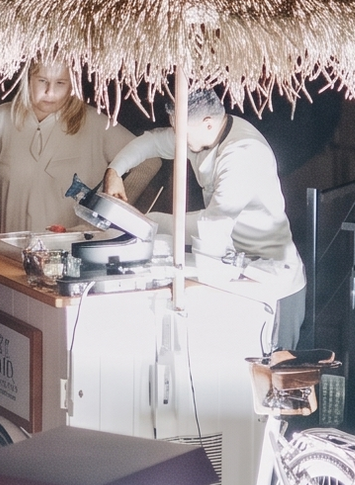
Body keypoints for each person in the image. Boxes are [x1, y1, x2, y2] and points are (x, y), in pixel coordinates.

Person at [107, 88, 308, 346]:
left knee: (271, 365)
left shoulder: (242, 152)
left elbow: (213, 225)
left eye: (181, 131)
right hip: (238, 270)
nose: (177, 137)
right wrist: (115, 171)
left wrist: (148, 222)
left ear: (208, 123)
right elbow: (153, 142)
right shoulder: (200, 135)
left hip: (274, 280)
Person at [0, 57, 135, 235]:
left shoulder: (96, 124)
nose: (50, 92)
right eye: (42, 81)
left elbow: (147, 162)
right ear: (28, 79)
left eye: (60, 83)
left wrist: (116, 209)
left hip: (74, 250)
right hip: (9, 250)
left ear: (73, 85)